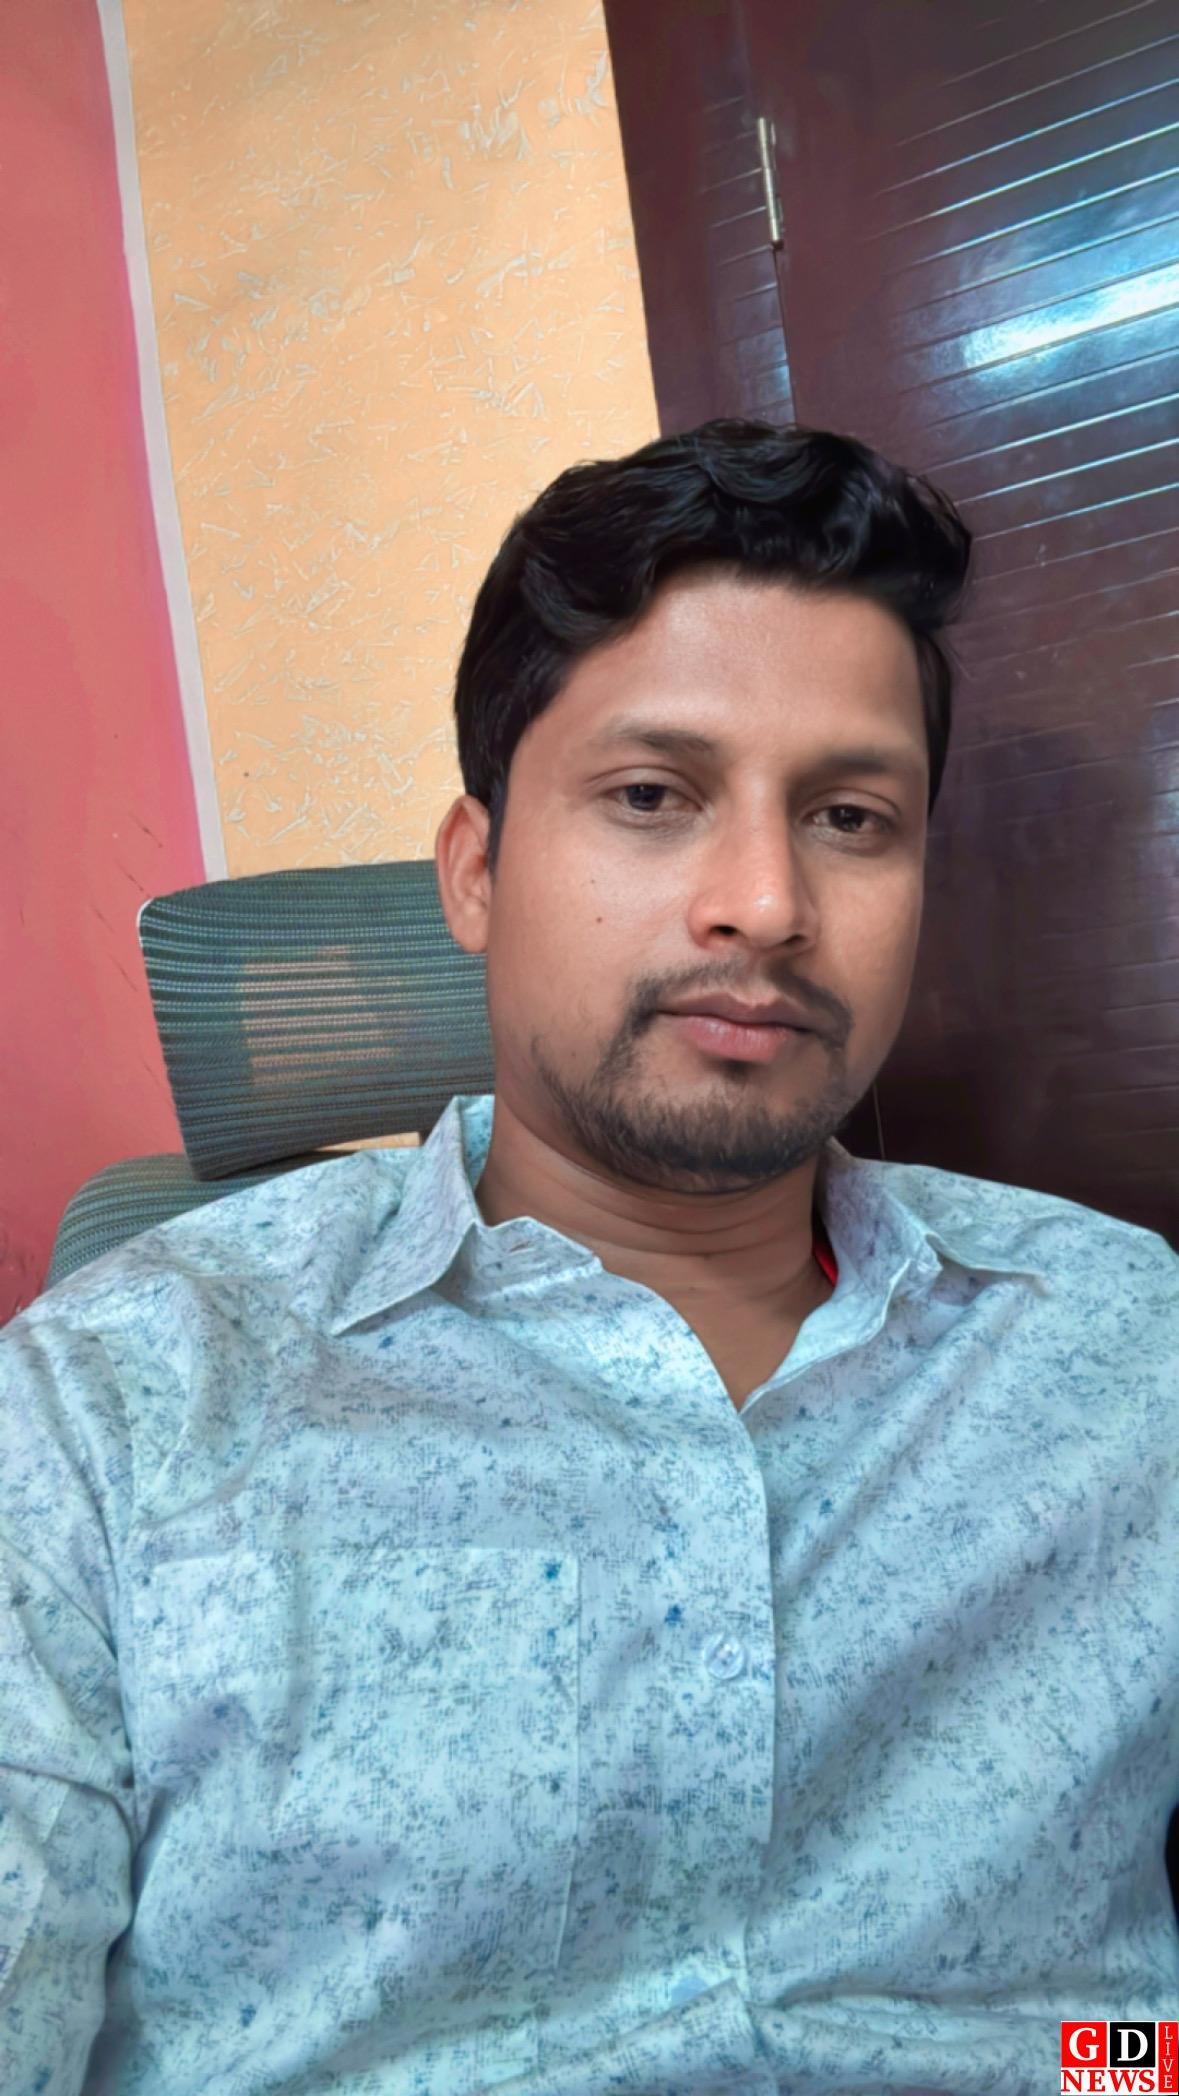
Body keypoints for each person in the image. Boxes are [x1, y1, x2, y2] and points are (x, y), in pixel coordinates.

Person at [1, 421, 1175, 2096]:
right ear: (477, 873)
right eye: (651, 797)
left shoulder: (1129, 1348)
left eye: (851, 817)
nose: (764, 902)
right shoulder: (106, 1408)